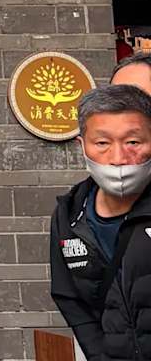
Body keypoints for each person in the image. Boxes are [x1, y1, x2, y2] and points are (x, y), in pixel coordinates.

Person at [49, 82, 151, 361]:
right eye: (102, 143)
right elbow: (69, 298)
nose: (118, 158)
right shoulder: (70, 215)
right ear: (82, 146)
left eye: (133, 142)